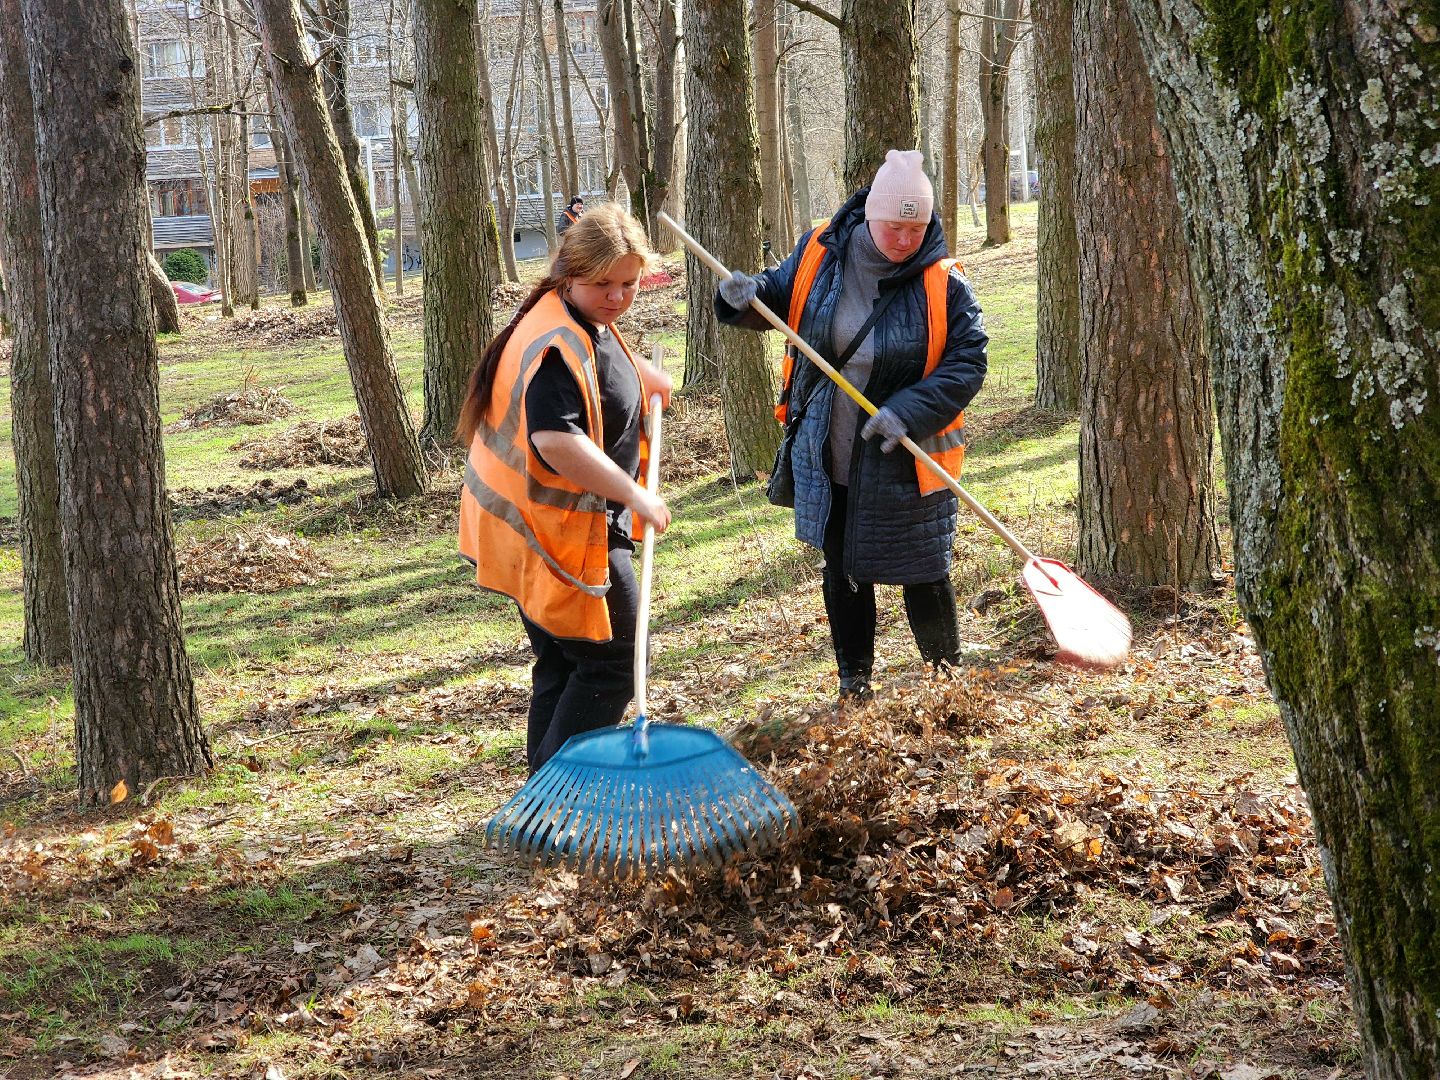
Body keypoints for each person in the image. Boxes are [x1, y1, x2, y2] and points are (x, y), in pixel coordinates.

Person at [715, 149, 988, 703]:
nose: (905, 240)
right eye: (894, 227)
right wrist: (742, 296)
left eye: (916, 229)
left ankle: (948, 683)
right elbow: (776, 297)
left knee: (923, 567)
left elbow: (968, 360)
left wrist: (908, 409)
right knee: (842, 566)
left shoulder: (944, 282)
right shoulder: (820, 251)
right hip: (831, 445)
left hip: (909, 454)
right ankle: (854, 684)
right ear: (869, 214)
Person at [458, 203, 673, 773]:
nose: (618, 298)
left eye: (629, 284)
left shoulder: (576, 317)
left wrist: (640, 375)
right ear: (570, 274)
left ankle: (542, 801)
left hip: (539, 531)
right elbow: (556, 440)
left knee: (562, 662)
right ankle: (561, 793)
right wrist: (634, 494)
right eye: (604, 285)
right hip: (555, 537)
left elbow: (597, 365)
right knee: (614, 660)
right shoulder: (555, 344)